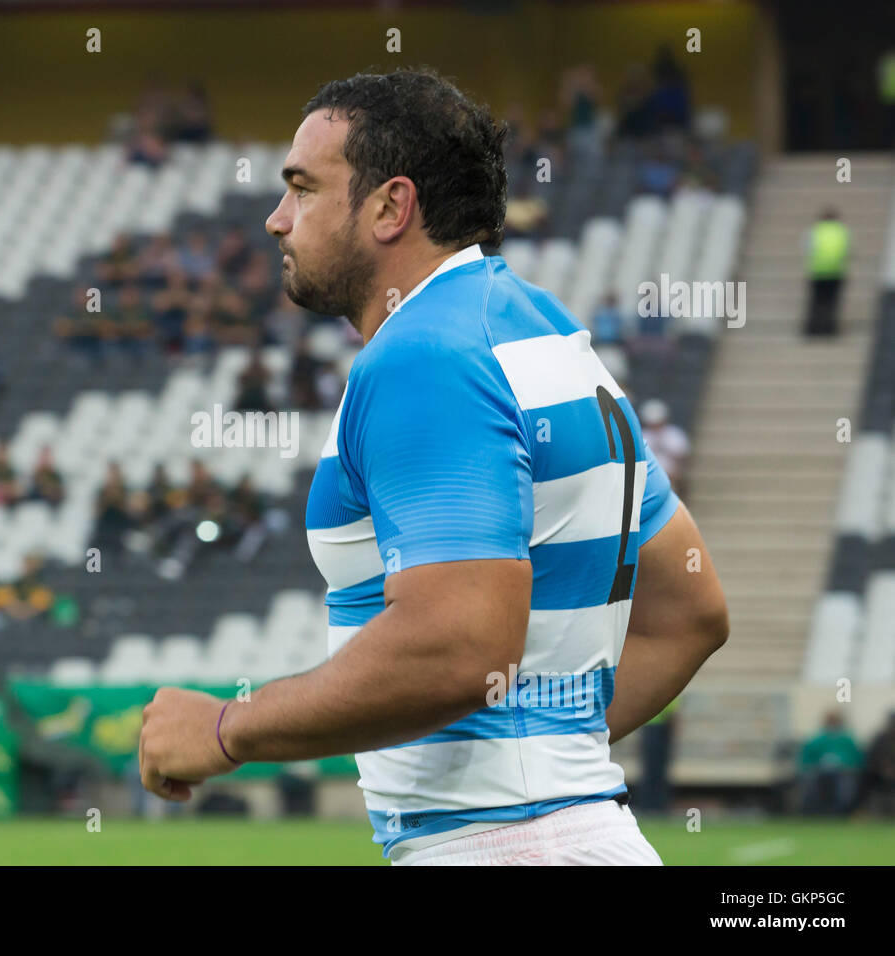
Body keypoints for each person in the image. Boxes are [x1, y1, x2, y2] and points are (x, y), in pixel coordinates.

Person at [137, 67, 729, 866]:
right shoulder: (545, 333)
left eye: (304, 189)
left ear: (391, 206)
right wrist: (541, 756)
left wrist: (224, 729)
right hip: (571, 835)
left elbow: (458, 646)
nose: (278, 220)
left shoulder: (424, 358)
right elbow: (691, 612)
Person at [797, 710, 865, 815]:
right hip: (819, 771)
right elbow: (806, 759)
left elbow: (856, 758)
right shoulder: (816, 740)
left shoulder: (847, 740)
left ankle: (841, 811)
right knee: (809, 781)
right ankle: (811, 810)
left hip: (843, 772)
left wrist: (844, 765)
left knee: (846, 783)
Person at [803, 208, 850, 337]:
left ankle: (813, 329)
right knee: (831, 303)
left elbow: (807, 248)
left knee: (816, 302)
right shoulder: (841, 231)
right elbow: (847, 250)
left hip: (817, 271)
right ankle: (829, 329)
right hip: (836, 271)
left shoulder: (815, 230)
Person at [639, 399, 690, 498]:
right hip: (649, 474)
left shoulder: (674, 433)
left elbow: (681, 455)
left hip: (671, 473)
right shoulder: (642, 435)